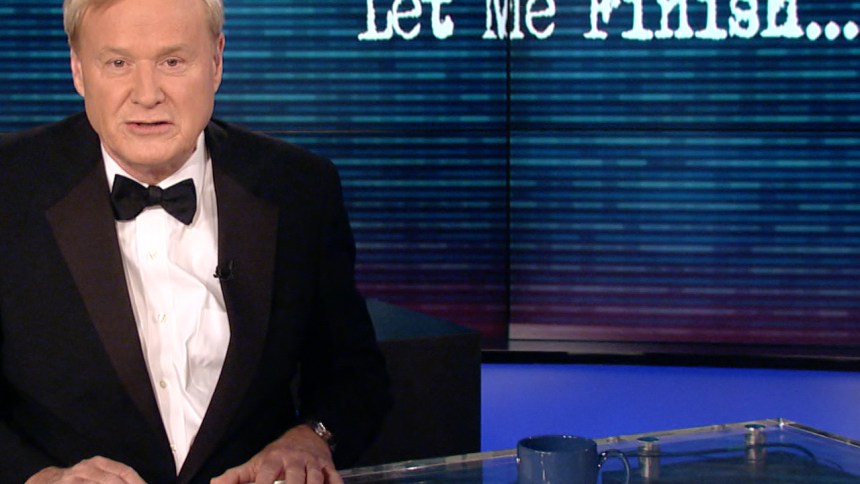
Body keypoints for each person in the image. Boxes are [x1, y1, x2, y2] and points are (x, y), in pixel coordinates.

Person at [0, 0, 392, 482]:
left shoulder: (298, 188)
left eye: (172, 61)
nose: (147, 95)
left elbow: (353, 375)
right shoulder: (10, 186)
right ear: (79, 70)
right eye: (118, 63)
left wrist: (310, 437)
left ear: (217, 61)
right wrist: (38, 477)